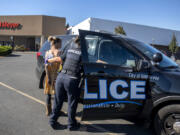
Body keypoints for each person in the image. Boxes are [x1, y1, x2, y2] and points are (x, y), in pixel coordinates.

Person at [48, 36, 82, 131]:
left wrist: (49, 60)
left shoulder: (70, 49)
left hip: (61, 77)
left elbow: (60, 59)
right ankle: (71, 125)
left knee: (58, 101)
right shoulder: (84, 52)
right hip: (72, 79)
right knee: (72, 103)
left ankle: (52, 121)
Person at [44, 36, 62, 116]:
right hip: (56, 76)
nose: (61, 44)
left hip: (49, 76)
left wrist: (48, 77)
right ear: (57, 43)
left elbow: (46, 66)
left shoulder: (47, 52)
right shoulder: (59, 52)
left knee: (49, 94)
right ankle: (55, 111)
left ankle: (48, 111)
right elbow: (61, 65)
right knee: (57, 95)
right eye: (60, 43)